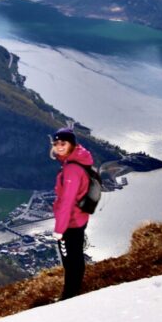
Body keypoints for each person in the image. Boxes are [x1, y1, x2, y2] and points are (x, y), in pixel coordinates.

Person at [50, 127, 93, 300]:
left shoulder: (71, 170)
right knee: (76, 256)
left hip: (70, 223)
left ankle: (69, 296)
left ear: (71, 144)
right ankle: (74, 290)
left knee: (70, 261)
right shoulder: (79, 160)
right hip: (80, 217)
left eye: (63, 143)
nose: (59, 146)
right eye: (56, 143)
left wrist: (59, 230)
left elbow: (67, 202)